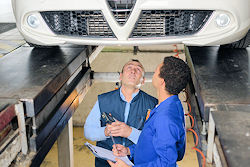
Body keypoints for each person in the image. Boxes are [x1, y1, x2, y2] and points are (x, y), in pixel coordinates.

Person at [107, 56, 191, 167]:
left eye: (156, 71)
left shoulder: (165, 118)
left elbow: (166, 164)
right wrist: (129, 151)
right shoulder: (171, 104)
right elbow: (152, 141)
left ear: (162, 81)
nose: (153, 74)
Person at [84, 59, 158, 167]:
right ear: (120, 76)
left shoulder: (153, 104)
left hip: (137, 163)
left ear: (143, 80)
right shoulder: (103, 100)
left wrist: (130, 132)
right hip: (106, 163)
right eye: (129, 67)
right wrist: (105, 131)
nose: (133, 71)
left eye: (138, 69)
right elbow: (88, 131)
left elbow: (156, 140)